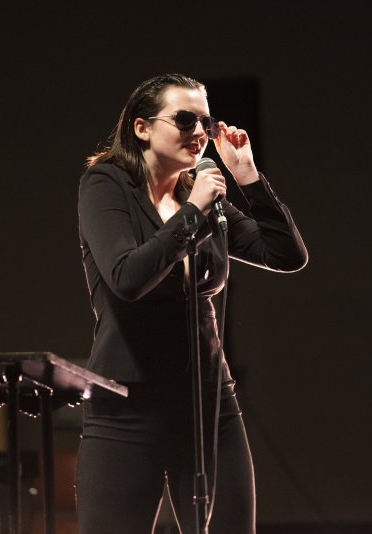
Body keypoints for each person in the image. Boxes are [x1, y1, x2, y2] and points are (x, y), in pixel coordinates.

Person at [75, 73, 308, 534]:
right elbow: (127, 277)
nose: (200, 132)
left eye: (206, 120)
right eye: (185, 119)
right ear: (142, 128)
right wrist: (193, 213)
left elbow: (286, 255)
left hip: (207, 401)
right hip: (128, 404)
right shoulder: (107, 185)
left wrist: (248, 178)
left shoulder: (202, 194)